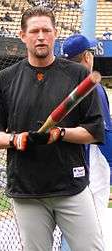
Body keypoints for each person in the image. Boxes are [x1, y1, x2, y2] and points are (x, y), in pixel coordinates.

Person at [0, 7, 105, 251]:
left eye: (46, 30)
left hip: (71, 188)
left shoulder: (79, 74)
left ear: (55, 34)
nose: (41, 36)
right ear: (22, 35)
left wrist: (60, 134)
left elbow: (93, 131)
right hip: (27, 191)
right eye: (34, 31)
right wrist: (16, 140)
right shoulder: (6, 79)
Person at [62, 33, 112, 250]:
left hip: (68, 164)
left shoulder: (60, 85)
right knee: (96, 224)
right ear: (86, 57)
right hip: (92, 160)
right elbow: (104, 132)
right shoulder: (92, 85)